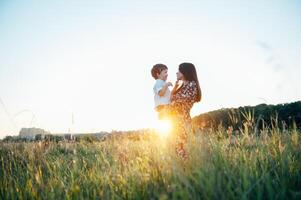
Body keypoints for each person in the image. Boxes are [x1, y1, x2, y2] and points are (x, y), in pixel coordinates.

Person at [170, 62, 202, 159]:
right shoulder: (182, 86)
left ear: (185, 72)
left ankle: (186, 169)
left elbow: (176, 101)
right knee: (177, 149)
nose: (176, 73)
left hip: (182, 120)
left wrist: (171, 101)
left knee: (182, 149)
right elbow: (172, 99)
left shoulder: (192, 85)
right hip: (175, 122)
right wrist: (175, 88)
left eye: (178, 71)